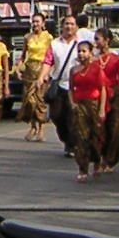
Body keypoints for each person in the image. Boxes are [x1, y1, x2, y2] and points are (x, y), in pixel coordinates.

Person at [68, 40, 108, 182]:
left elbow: (103, 89)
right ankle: (82, 168)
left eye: (84, 51)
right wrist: (72, 103)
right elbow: (70, 89)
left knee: (96, 136)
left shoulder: (97, 68)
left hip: (94, 105)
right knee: (81, 137)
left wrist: (101, 109)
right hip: (80, 105)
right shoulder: (74, 70)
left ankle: (97, 161)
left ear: (90, 53)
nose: (81, 54)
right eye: (79, 51)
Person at [42, 15, 82, 156]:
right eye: (66, 24)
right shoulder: (54, 44)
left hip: (76, 87)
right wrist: (42, 76)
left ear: (76, 27)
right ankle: (66, 139)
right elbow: (48, 61)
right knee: (56, 116)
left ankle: (72, 145)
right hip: (59, 84)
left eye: (72, 24)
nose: (69, 27)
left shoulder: (81, 45)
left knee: (72, 117)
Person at [94, 28, 119, 171]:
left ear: (107, 40)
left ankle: (110, 160)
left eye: (98, 39)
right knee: (100, 129)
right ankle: (99, 157)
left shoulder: (116, 59)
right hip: (97, 97)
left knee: (114, 129)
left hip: (114, 97)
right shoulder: (93, 58)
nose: (95, 42)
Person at [20, 14, 54, 143]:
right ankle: (33, 126)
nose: (35, 24)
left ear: (43, 23)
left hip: (42, 70)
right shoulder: (27, 37)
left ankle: (40, 128)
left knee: (40, 101)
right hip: (29, 71)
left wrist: (48, 73)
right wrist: (18, 67)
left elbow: (51, 57)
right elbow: (23, 55)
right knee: (29, 101)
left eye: (38, 22)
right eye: (33, 22)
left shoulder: (48, 38)